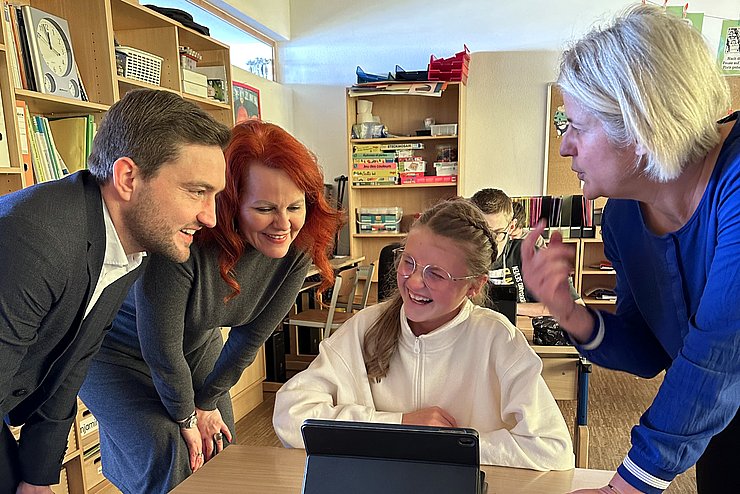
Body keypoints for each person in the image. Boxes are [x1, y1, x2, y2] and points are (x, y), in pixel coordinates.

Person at [520, 5, 738, 494]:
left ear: (640, 126)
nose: (564, 147)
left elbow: (719, 354)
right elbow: (650, 352)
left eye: (576, 125)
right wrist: (569, 312)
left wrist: (628, 485)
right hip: (720, 422)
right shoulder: (621, 216)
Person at [79, 120, 342, 493]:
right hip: (113, 351)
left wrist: (205, 403)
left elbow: (250, 339)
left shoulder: (297, 249)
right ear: (231, 204)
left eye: (294, 206)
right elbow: (161, 349)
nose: (283, 223)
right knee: (170, 448)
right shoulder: (185, 241)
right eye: (265, 208)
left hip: (194, 344)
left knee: (218, 444)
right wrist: (187, 416)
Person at [0, 89, 230, 493]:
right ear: (128, 178)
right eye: (197, 191)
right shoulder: (37, 242)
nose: (210, 217)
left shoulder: (125, 245)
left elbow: (71, 365)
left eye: (216, 196)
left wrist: (36, 479)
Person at [273, 198, 574, 471]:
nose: (414, 282)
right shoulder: (364, 329)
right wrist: (400, 426)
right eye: (409, 262)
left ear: (474, 285)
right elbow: (290, 414)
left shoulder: (498, 340)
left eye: (436, 274)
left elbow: (553, 449)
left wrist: (447, 446)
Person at [470, 188, 579, 304]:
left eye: (497, 233)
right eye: (481, 232)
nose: (489, 242)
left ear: (511, 227)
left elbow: (576, 305)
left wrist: (511, 308)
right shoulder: (461, 256)